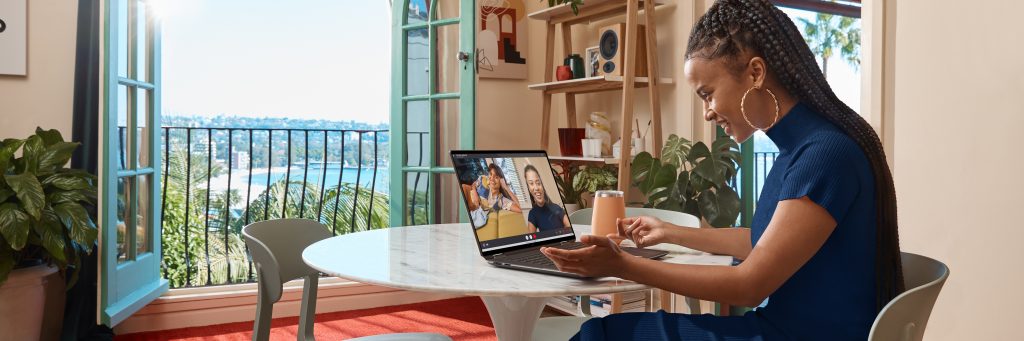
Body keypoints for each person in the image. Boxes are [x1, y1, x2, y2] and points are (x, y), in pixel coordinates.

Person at [540, 1, 904, 340]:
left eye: (707, 93)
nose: (707, 112)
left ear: (756, 73)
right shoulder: (802, 147)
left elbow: (750, 284)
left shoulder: (824, 154)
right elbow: (759, 241)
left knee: (602, 335)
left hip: (789, 335)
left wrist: (622, 265)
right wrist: (671, 233)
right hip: (781, 328)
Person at [523, 164, 570, 232]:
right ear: (528, 188)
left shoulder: (556, 207)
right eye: (531, 183)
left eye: (538, 183)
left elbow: (569, 225)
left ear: (542, 185)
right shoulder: (532, 214)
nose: (536, 188)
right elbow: (531, 239)